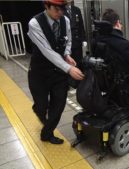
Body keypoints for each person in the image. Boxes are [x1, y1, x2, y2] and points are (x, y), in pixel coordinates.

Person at [27, 0, 84, 144]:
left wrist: (67, 54)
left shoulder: (65, 20)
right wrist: (69, 68)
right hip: (39, 73)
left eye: (63, 9)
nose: (60, 13)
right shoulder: (34, 24)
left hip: (58, 74)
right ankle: (38, 108)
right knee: (42, 106)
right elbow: (47, 51)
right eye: (56, 9)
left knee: (58, 106)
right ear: (46, 6)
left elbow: (68, 41)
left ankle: (47, 134)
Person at [64, 0, 86, 71]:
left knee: (79, 61)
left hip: (77, 41)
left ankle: (80, 78)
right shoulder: (60, 10)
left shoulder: (76, 9)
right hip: (67, 43)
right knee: (69, 63)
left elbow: (81, 26)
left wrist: (83, 39)